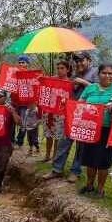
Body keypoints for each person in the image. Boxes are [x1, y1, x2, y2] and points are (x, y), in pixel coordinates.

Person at [43, 52, 99, 183]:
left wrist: (83, 82)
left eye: (81, 61)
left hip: (86, 114)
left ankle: (75, 171)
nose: (79, 63)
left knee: (81, 145)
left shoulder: (95, 72)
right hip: (71, 111)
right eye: (77, 61)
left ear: (89, 60)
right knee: (64, 141)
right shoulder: (75, 74)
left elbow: (100, 89)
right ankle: (56, 169)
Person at [78, 63, 112, 198]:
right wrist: (88, 107)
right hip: (91, 128)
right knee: (90, 158)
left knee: (104, 160)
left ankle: (100, 189)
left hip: (109, 129)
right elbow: (80, 102)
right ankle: (89, 185)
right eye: (104, 73)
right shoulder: (90, 88)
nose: (107, 76)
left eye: (110, 73)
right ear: (98, 74)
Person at [42, 60, 72, 163]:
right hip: (49, 111)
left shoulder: (70, 83)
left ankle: (54, 156)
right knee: (48, 134)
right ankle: (47, 155)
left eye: (62, 68)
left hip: (60, 113)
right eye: (58, 68)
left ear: (67, 69)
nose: (59, 70)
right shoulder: (51, 79)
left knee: (57, 136)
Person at [13, 55, 31, 147]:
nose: (20, 64)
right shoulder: (14, 73)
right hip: (14, 102)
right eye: (19, 62)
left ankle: (19, 141)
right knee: (12, 121)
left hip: (25, 103)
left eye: (23, 62)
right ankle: (11, 140)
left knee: (23, 123)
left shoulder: (30, 75)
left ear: (27, 64)